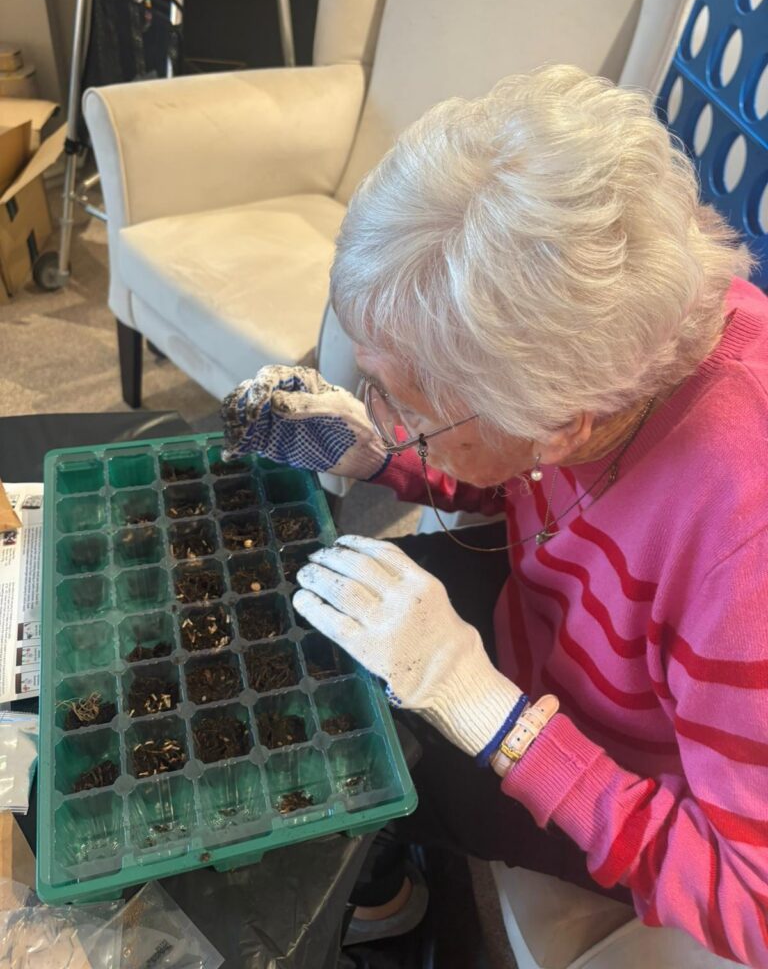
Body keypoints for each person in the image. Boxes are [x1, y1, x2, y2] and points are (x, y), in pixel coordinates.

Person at [221, 66, 768, 965]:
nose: (383, 414)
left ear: (561, 421)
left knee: (324, 755)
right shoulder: (614, 354)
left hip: (615, 776)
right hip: (545, 640)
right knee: (289, 624)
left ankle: (386, 902)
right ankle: (390, 885)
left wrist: (486, 714)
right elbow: (528, 481)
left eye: (404, 405)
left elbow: (749, 901)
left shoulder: (741, 555)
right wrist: (379, 456)